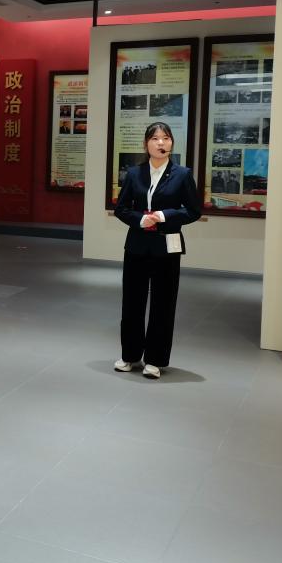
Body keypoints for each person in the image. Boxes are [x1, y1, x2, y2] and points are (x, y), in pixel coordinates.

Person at [113, 122, 201, 379]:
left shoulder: (182, 174)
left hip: (167, 247)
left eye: (166, 138)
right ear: (146, 144)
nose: (161, 143)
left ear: (172, 142)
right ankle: (130, 355)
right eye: (155, 138)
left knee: (163, 303)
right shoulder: (134, 173)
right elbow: (121, 208)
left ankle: (155, 360)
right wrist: (139, 219)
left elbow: (193, 211)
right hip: (137, 246)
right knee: (132, 302)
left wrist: (164, 215)